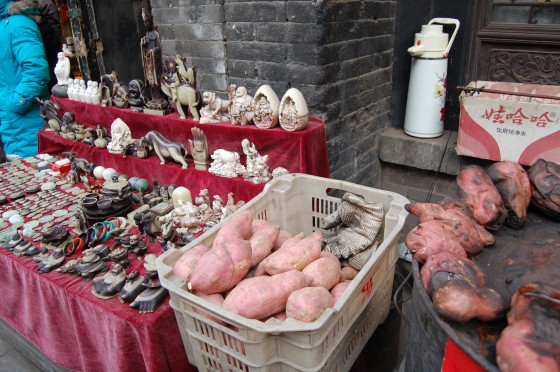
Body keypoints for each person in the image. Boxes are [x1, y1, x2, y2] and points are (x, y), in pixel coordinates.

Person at [0, 0, 50, 158]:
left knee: (34, 169)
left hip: (25, 119)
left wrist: (16, 102)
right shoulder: (7, 23)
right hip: (15, 120)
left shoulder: (17, 23)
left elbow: (36, 70)